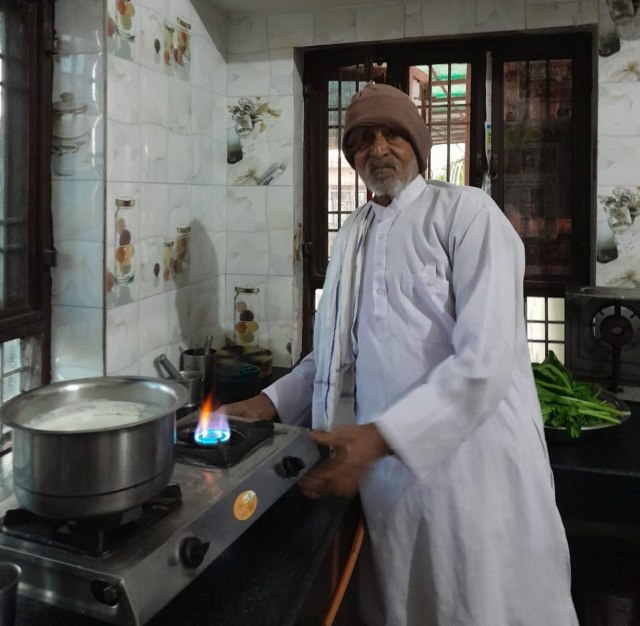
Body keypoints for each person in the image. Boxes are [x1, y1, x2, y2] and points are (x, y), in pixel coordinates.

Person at [221, 83, 578, 626]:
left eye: (392, 134)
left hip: (473, 474)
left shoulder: (467, 214)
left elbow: (485, 360)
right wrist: (266, 403)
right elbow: (335, 356)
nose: (378, 148)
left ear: (418, 144)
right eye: (363, 139)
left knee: (482, 605)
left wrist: (379, 438)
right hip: (387, 477)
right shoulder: (351, 236)